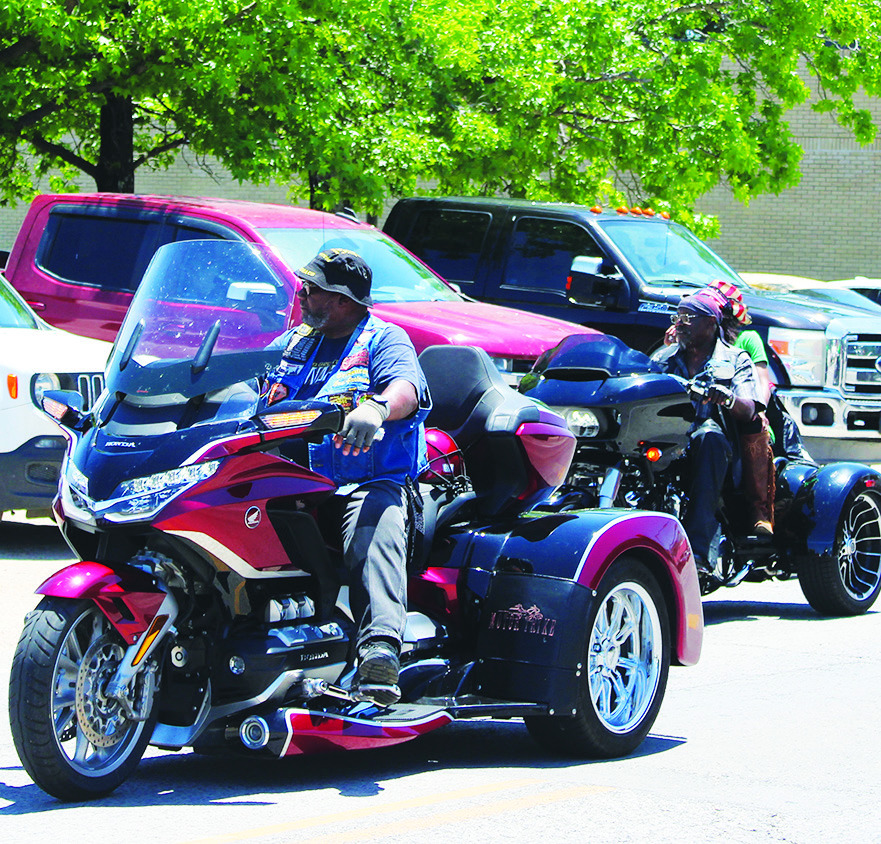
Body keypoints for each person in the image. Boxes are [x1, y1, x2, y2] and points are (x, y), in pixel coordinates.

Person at [264, 247, 431, 705]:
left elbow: (406, 389)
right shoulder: (298, 341)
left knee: (372, 520)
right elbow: (254, 388)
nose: (302, 293)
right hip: (291, 481)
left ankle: (379, 648)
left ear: (341, 299)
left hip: (365, 484)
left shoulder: (383, 339)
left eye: (313, 287)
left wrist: (378, 407)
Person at [653, 287, 764, 573]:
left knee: (709, 437)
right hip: (665, 435)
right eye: (678, 317)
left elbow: (748, 408)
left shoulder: (736, 358)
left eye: (689, 318)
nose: (680, 323)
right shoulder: (663, 357)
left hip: (712, 442)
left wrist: (725, 397)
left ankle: (698, 552)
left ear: (712, 323)